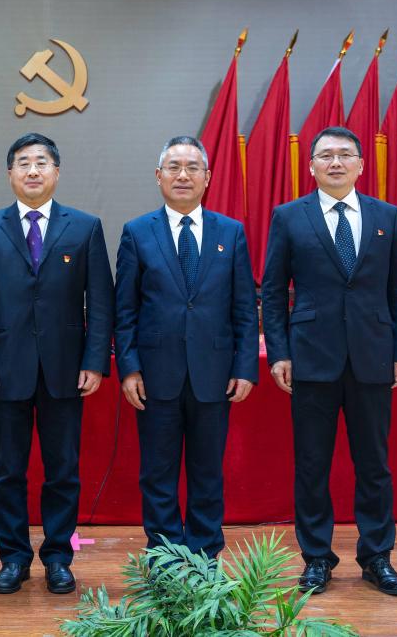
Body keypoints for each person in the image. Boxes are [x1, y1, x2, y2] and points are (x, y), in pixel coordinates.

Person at [262, 126, 397, 596]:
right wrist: (279, 352)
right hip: (311, 358)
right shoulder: (289, 217)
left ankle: (377, 556)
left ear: (361, 165)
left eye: (345, 155)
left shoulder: (386, 216)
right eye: (325, 155)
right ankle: (316, 558)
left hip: (373, 356)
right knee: (312, 464)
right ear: (310, 166)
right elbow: (273, 292)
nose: (335, 162)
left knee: (375, 464)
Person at [0, 133, 114, 595]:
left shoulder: (85, 227)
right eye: (23, 163)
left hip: (66, 369)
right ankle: (13, 557)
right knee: (8, 471)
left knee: (62, 470)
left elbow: (100, 302)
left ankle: (59, 556)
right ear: (10, 174)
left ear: (56, 172)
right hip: (4, 369)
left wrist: (95, 361)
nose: (32, 170)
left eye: (41, 162)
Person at [114, 135, 258, 559]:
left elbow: (244, 308)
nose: (183, 175)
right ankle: (165, 557)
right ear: (158, 176)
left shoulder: (230, 232)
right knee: (157, 474)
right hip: (155, 375)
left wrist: (245, 367)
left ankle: (205, 556)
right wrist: (129, 367)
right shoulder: (137, 232)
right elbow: (125, 308)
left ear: (207, 177)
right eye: (174, 167)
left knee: (207, 472)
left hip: (214, 374)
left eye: (192, 167)